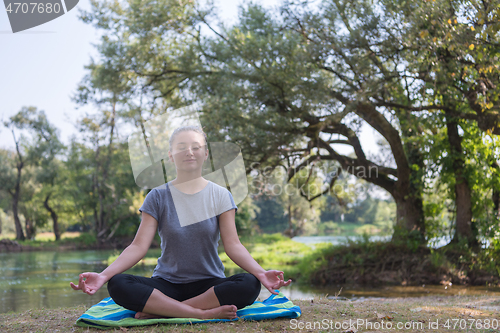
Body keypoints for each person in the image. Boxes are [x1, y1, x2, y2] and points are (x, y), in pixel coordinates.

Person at [70, 125, 291, 320]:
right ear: (170, 155)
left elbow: (233, 245)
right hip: (166, 285)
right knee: (118, 284)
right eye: (181, 146)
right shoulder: (157, 196)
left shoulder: (221, 195)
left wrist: (261, 273)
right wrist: (103, 275)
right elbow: (138, 246)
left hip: (209, 285)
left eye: (195, 146)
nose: (189, 151)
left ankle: (162, 311)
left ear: (205, 154)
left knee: (249, 284)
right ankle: (200, 313)